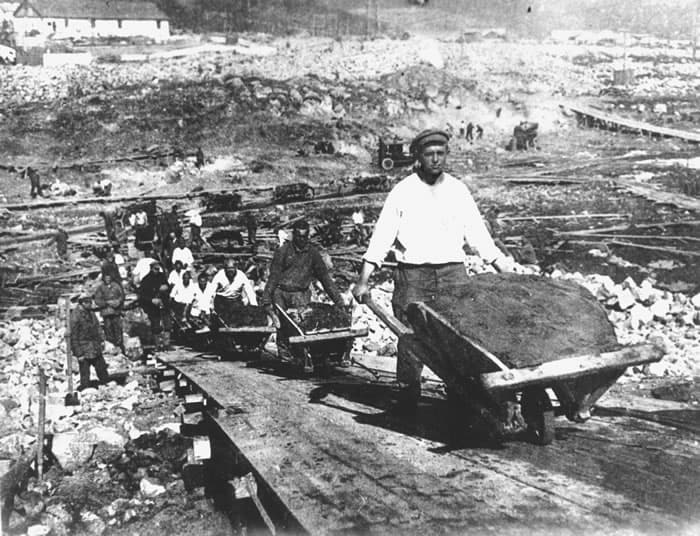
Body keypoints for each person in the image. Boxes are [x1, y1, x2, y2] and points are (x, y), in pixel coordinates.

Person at [352, 129, 515, 411]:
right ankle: (408, 391)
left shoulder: (457, 190)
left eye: (441, 153)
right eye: (429, 154)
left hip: (452, 273)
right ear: (418, 157)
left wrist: (501, 266)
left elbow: (477, 235)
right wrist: (363, 280)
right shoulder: (403, 192)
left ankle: (459, 391)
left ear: (447, 155)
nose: (436, 159)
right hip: (413, 276)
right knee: (411, 338)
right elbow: (381, 237)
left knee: (460, 336)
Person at [262, 219, 345, 321]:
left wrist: (339, 301)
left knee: (302, 323)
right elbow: (273, 277)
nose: (301, 240)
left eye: (304, 237)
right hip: (281, 294)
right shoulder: (283, 251)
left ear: (308, 236)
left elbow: (325, 279)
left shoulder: (313, 254)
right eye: (299, 236)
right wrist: (266, 300)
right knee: (281, 324)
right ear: (293, 235)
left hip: (300, 295)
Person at [70, 293, 109, 390]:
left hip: (95, 347)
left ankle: (106, 386)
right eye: (87, 302)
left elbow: (97, 327)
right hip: (84, 348)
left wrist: (102, 339)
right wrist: (79, 353)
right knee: (85, 374)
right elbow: (73, 336)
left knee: (102, 369)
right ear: (81, 303)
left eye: (90, 302)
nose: (89, 304)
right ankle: (85, 391)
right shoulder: (75, 316)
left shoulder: (91, 313)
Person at [138, 261, 171, 350]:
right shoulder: (146, 279)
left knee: (167, 324)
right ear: (151, 268)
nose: (157, 270)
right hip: (153, 306)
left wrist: (166, 287)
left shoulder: (162, 276)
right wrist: (152, 300)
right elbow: (142, 295)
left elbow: (168, 286)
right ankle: (158, 345)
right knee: (156, 326)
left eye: (158, 269)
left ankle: (166, 344)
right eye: (155, 269)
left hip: (164, 303)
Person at [93, 273, 125, 353]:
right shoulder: (101, 288)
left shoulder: (116, 286)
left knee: (118, 328)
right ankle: (111, 346)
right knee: (108, 328)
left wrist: (118, 301)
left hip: (116, 311)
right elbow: (97, 300)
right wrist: (106, 303)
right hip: (106, 312)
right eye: (106, 278)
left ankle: (120, 346)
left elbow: (122, 296)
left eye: (109, 278)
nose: (107, 279)